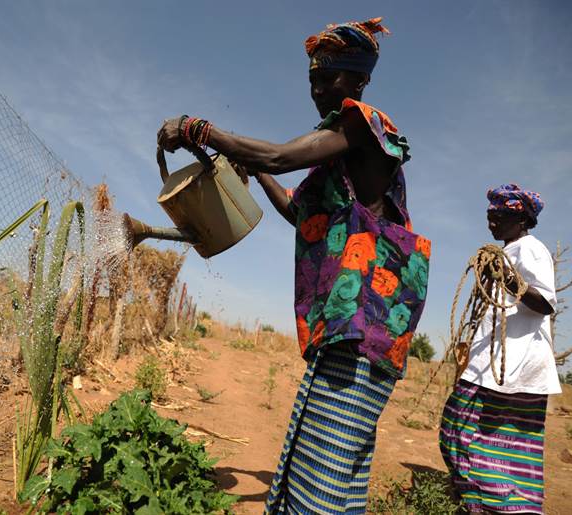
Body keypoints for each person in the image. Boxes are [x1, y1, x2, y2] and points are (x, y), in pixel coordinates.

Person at [158, 18, 430, 514]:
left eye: (331, 79)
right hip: (342, 323)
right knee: (327, 460)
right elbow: (296, 211)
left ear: (360, 81)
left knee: (327, 466)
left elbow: (280, 156)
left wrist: (200, 130)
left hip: (364, 324)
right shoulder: (335, 153)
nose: (319, 89)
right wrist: (256, 168)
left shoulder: (366, 125)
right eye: (313, 80)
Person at [439, 184, 561, 514]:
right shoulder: (510, 251)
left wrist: (506, 277)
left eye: (498, 216)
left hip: (516, 365)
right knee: (460, 429)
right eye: (489, 216)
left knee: (462, 428)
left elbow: (545, 304)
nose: (491, 223)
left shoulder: (531, 249)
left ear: (520, 220)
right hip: (493, 364)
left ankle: (504, 506)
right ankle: (482, 502)